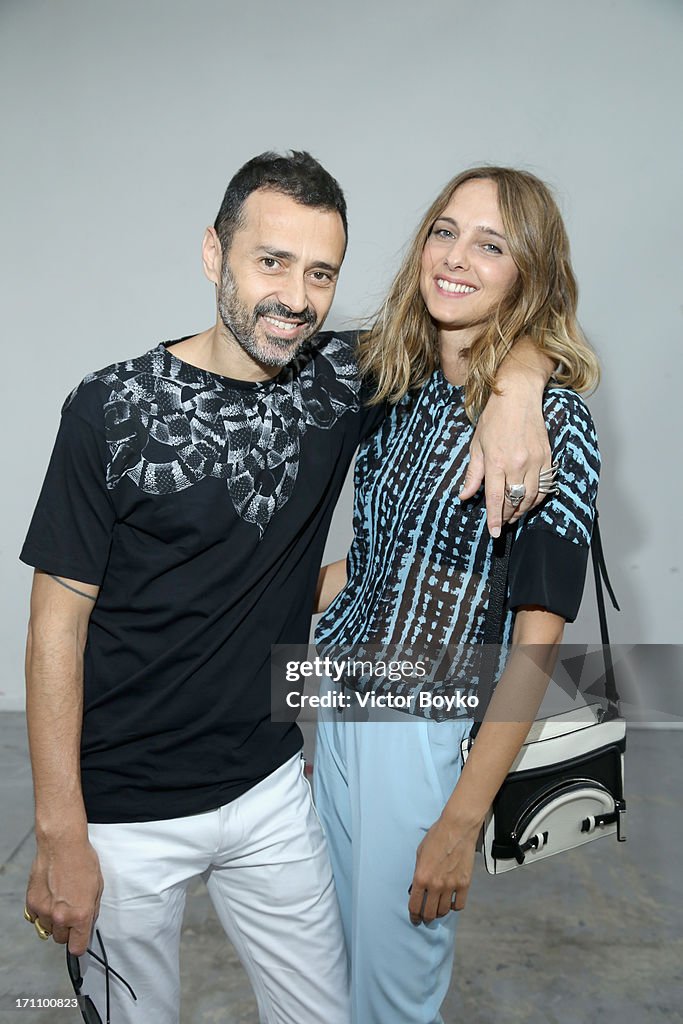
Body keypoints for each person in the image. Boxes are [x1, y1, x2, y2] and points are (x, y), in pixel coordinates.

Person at [20, 152, 554, 1023]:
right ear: (212, 253)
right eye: (271, 262)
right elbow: (54, 630)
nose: (296, 298)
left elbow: (480, 320)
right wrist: (59, 833)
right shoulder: (109, 410)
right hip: (124, 813)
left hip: (271, 793)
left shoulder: (338, 380)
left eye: (320, 273)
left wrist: (520, 383)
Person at [313, 166, 601, 1024]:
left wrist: (460, 819)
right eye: (445, 231)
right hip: (333, 702)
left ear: (529, 272)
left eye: (492, 244)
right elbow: (373, 565)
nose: (456, 257)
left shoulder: (556, 422)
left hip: (422, 727)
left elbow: (536, 644)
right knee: (328, 976)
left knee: (393, 997)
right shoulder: (389, 381)